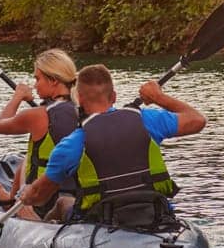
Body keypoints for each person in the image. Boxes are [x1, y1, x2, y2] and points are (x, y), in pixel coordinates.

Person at [16, 63, 206, 232]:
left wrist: (26, 195)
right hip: (155, 215)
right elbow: (197, 120)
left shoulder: (72, 143)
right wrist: (158, 97)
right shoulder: (147, 120)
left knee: (62, 201)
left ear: (79, 99)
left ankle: (45, 233)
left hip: (102, 223)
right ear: (114, 96)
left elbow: (40, 196)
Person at [0, 49, 80, 220]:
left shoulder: (38, 115)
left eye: (37, 78)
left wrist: (18, 96)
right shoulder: (85, 109)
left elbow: (0, 126)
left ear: (53, 80)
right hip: (78, 197)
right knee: (29, 158)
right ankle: (11, 199)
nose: (35, 85)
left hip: (42, 204)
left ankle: (13, 203)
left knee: (30, 158)